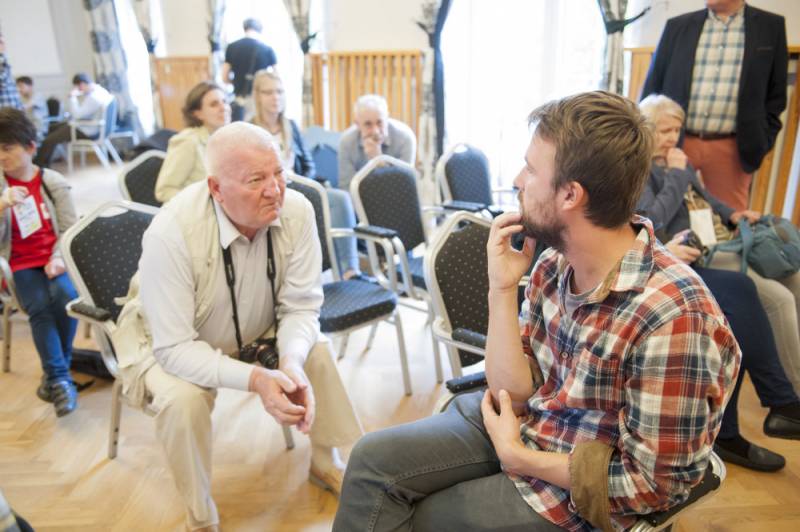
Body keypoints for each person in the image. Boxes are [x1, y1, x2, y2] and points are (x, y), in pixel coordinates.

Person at [334, 91, 740, 531]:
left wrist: (519, 457)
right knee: (371, 461)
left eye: (530, 169)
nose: (517, 180)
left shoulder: (673, 317)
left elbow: (653, 485)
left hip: (574, 485)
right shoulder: (554, 263)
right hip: (530, 423)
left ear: (570, 195)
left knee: (424, 519)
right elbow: (514, 392)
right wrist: (501, 287)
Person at [113, 121, 363, 531]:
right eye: (256, 180)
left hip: (256, 325)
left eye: (278, 173)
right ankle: (199, 513)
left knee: (314, 350)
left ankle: (325, 460)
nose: (275, 190)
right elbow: (173, 348)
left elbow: (301, 306)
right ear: (216, 188)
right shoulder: (172, 232)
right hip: (167, 342)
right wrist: (257, 379)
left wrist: (290, 361)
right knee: (183, 401)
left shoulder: (298, 209)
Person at [637, 94, 800, 396]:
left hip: (723, 239)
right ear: (647, 129)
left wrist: (733, 214)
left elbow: (705, 197)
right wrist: (676, 173)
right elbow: (655, 218)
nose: (673, 137)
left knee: (795, 280)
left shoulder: (679, 159)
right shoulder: (642, 169)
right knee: (780, 298)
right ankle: (794, 391)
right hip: (699, 251)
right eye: (665, 130)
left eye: (677, 130)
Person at [641, 0, 788, 211]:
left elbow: (776, 97)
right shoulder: (677, 26)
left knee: (730, 216)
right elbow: (652, 87)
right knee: (669, 211)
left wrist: (763, 141)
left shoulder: (770, 26)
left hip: (732, 148)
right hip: (675, 140)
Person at [0, 108, 78, 417]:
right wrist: (2, 206)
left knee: (66, 297)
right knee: (40, 306)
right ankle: (60, 378)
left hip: (55, 259)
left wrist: (58, 257)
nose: (1, 156)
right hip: (19, 264)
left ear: (30, 147)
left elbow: (70, 228)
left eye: (7, 148)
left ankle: (56, 376)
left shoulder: (53, 182)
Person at [330, 95, 417, 278]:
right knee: (340, 202)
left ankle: (400, 261)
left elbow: (403, 189)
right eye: (368, 125)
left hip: (397, 202)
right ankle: (351, 269)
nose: (375, 130)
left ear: (387, 118)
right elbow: (346, 189)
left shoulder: (404, 137)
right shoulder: (347, 142)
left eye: (380, 122)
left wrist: (378, 160)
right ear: (357, 124)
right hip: (360, 203)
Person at [154, 81, 230, 203]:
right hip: (201, 210)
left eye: (225, 101)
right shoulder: (188, 141)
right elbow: (164, 191)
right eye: (214, 104)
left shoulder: (228, 139)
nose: (223, 108)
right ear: (198, 114)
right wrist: (203, 203)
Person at [33, 73, 112, 168]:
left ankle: (38, 165)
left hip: (86, 130)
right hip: (89, 126)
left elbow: (77, 115)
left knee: (48, 140)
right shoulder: (100, 91)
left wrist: (72, 97)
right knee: (52, 128)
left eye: (77, 87)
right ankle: (45, 163)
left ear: (81, 84)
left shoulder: (94, 98)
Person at [250, 69, 314, 177]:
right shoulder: (250, 130)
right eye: (268, 92)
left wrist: (304, 184)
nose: (276, 97)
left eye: (279, 92)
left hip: (297, 183)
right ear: (257, 96)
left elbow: (309, 166)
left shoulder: (292, 125)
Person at [222, 18, 278, 122]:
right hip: (259, 99)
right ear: (260, 30)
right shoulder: (267, 49)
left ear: (244, 28)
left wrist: (235, 82)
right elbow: (276, 78)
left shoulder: (231, 47)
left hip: (239, 97)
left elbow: (224, 77)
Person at [15, 76, 47, 140]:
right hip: (28, 127)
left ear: (30, 86)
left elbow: (24, 107)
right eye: (17, 87)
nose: (19, 89)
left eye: (21, 86)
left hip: (38, 129)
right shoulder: (22, 98)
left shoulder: (38, 96)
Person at [0, 32, 22, 110]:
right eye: (0, 42)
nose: (3, 45)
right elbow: (2, 80)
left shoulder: (3, 60)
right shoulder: (2, 60)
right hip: (6, 109)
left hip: (12, 106)